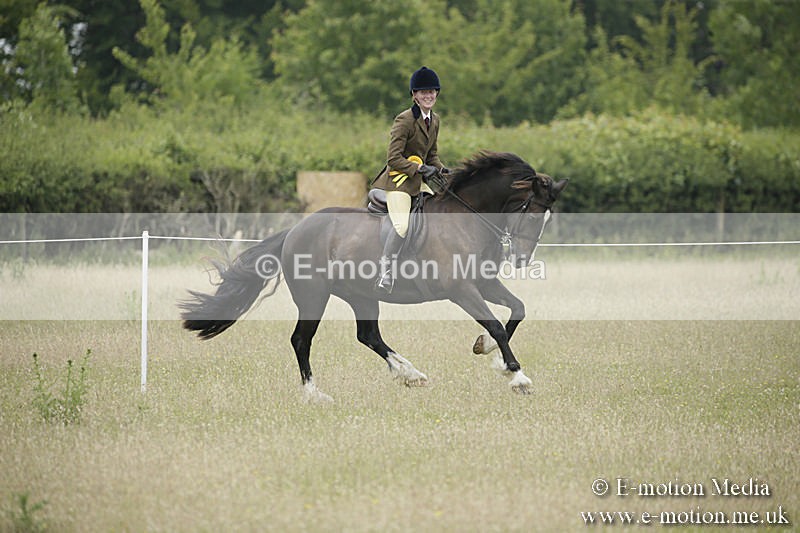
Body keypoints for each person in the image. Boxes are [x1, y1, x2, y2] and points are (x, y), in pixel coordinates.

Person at [372, 66, 446, 293]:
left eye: (431, 91)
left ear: (436, 93)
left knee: (439, 214)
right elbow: (393, 158)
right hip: (398, 183)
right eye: (423, 92)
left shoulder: (435, 120)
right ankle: (385, 271)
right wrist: (420, 168)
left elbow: (432, 155)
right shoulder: (404, 120)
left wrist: (444, 171)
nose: (428, 95)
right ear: (414, 95)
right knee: (402, 225)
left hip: (418, 182)